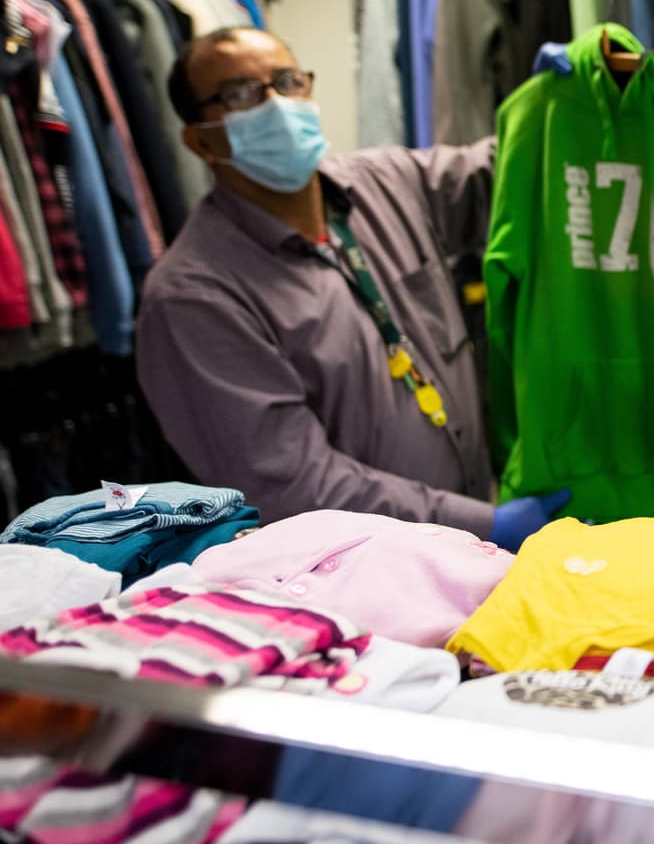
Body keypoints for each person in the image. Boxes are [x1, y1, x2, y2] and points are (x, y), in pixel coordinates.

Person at [136, 27, 567, 551]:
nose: (276, 104)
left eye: (288, 81)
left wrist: (553, 106)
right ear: (199, 139)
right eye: (242, 94)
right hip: (349, 580)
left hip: (477, 534)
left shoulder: (384, 183)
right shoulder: (193, 298)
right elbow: (293, 484)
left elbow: (508, 174)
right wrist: (482, 524)